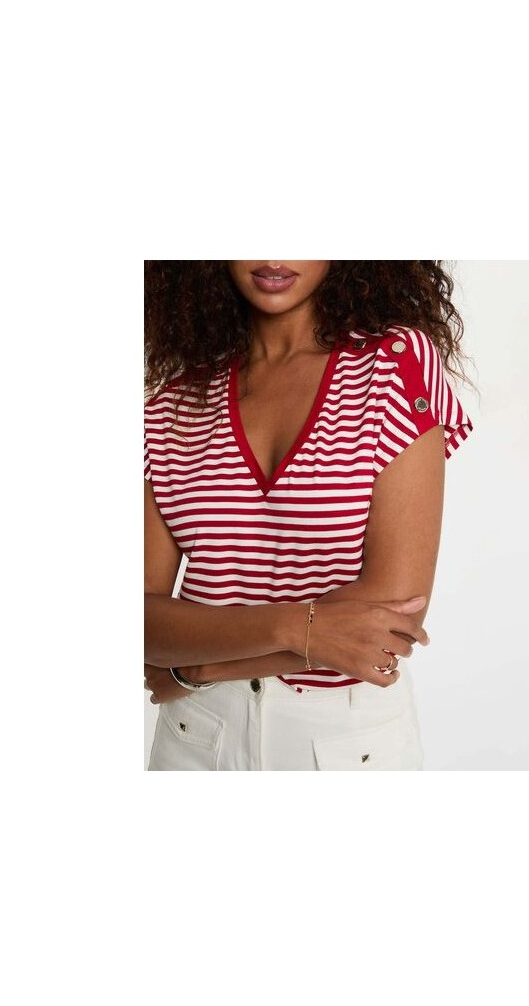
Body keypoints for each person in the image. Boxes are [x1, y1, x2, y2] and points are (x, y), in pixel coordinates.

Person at [144, 260, 473, 770]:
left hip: (346, 743)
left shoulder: (394, 365)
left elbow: (397, 615)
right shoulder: (174, 404)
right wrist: (298, 628)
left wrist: (200, 666)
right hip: (195, 739)